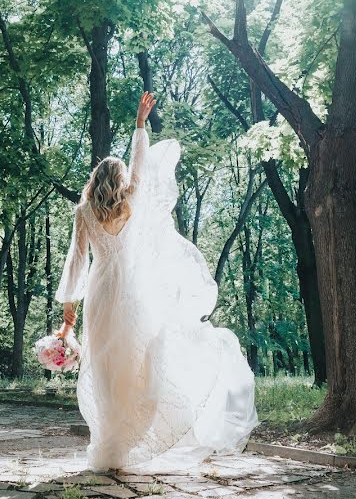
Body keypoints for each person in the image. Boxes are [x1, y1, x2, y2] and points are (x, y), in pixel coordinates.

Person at [55, 92, 258, 473]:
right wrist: (139, 126)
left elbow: (76, 262)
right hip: (132, 292)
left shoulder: (84, 212)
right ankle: (126, 443)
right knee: (138, 365)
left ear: (95, 180)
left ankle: (109, 445)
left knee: (104, 368)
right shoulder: (131, 201)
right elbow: (141, 169)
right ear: (119, 181)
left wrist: (68, 315)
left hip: (100, 294)